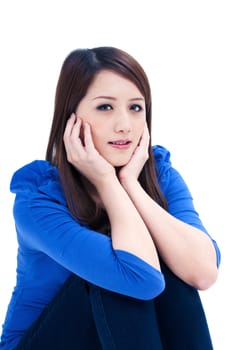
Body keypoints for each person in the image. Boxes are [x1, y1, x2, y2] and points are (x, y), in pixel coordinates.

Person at [0, 46, 220, 350]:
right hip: (40, 342)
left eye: (135, 108)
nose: (124, 125)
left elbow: (202, 272)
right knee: (117, 273)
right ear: (71, 117)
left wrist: (129, 182)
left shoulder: (161, 176)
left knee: (173, 257)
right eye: (105, 107)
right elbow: (138, 277)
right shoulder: (38, 198)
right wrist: (105, 179)